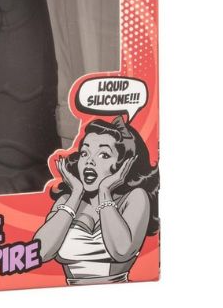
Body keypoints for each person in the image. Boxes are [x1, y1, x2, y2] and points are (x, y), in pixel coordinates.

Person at [34, 116, 159, 284]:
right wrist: (76, 193)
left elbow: (122, 251)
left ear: (125, 164)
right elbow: (39, 252)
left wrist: (104, 192)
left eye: (103, 155)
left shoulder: (135, 197)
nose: (89, 161)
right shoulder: (67, 200)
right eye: (84, 153)